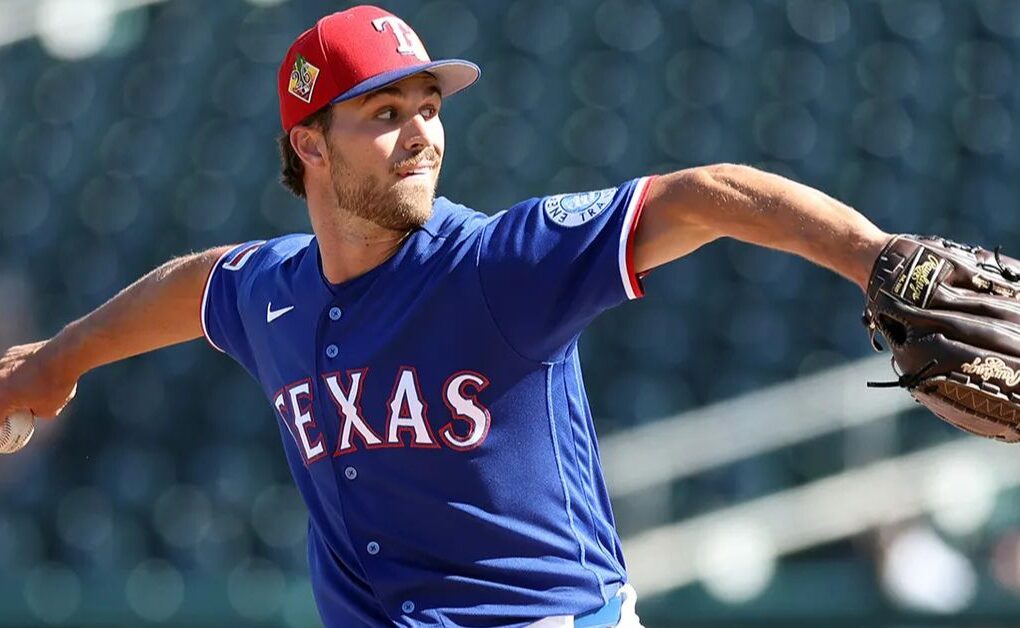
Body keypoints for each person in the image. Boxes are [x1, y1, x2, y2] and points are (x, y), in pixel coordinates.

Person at [0, 5, 890, 627]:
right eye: (386, 113)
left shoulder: (500, 263)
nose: (423, 133)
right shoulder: (272, 291)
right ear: (310, 144)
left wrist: (873, 255)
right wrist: (60, 359)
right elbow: (193, 286)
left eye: (429, 107)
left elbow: (706, 195)